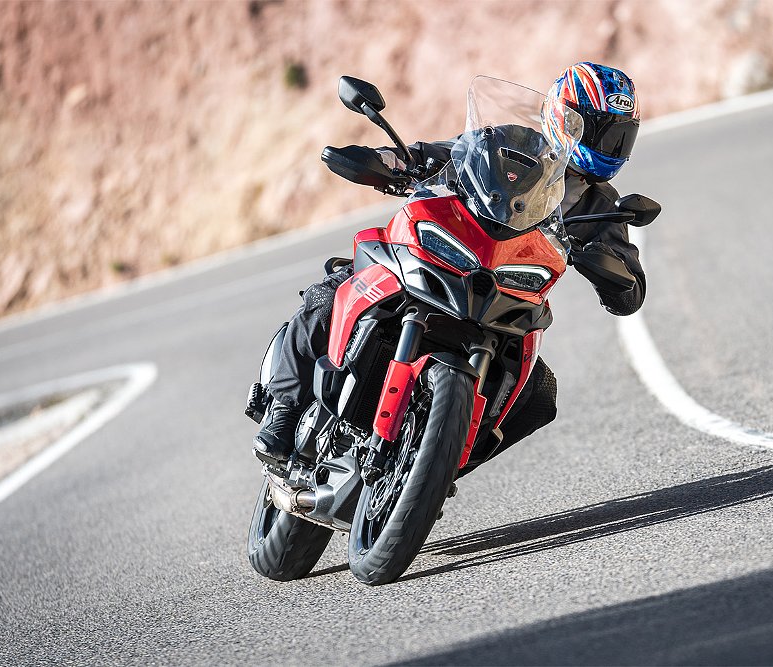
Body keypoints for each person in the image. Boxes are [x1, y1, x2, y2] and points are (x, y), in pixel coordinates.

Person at [254, 62, 647, 476]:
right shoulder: (506, 141)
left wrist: (607, 267)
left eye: (620, 137)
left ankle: (435, 468)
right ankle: (284, 407)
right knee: (337, 289)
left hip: (509, 295)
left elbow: (630, 291)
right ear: (565, 117)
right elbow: (434, 156)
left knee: (539, 395)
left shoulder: (603, 207)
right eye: (603, 131)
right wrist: (385, 160)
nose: (611, 146)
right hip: (446, 256)